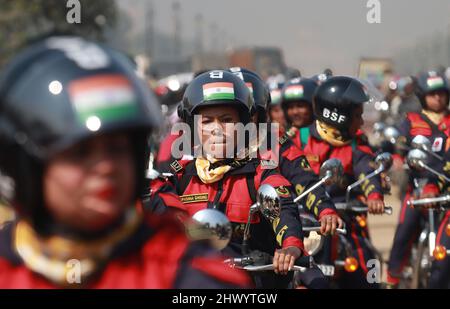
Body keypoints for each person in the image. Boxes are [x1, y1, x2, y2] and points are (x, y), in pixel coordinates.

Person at [0, 36, 249, 289]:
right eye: (81, 152)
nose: (107, 166)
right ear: (26, 163)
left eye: (117, 148)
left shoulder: (185, 272)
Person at [166, 69, 305, 288]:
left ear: (244, 123)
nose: (217, 130)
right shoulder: (180, 175)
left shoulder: (261, 171)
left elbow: (282, 206)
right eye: (207, 121)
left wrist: (290, 247)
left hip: (254, 283)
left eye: (227, 120)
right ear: (192, 126)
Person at [291, 76, 386, 288]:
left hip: (344, 221)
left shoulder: (357, 144)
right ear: (339, 116)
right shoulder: (299, 138)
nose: (361, 122)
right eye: (357, 116)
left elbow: (366, 170)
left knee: (369, 266)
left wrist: (374, 196)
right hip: (302, 222)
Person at [387, 71, 450, 287]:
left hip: (446, 190)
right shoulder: (412, 120)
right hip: (418, 188)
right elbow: (397, 143)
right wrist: (396, 157)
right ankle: (392, 278)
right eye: (433, 94)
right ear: (423, 96)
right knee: (404, 230)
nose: (438, 98)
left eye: (442, 93)